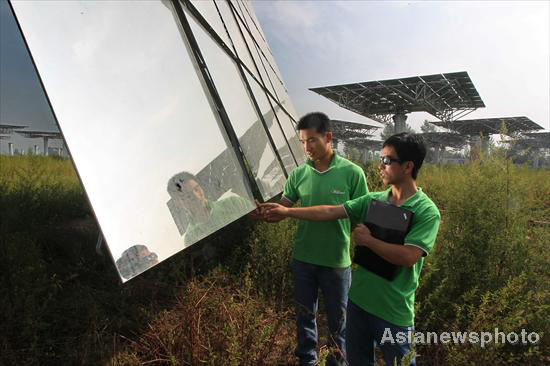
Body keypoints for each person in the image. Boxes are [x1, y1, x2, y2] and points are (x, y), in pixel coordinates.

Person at [262, 133, 440, 366]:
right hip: (358, 304)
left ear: (408, 166)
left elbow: (408, 257)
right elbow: (329, 211)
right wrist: (287, 212)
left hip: (393, 312)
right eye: (381, 158)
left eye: (387, 160)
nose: (380, 166)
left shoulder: (426, 211)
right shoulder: (373, 200)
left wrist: (369, 241)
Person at [264, 112, 368, 366]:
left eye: (312, 140)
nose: (306, 147)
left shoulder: (352, 173)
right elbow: (283, 208)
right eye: (302, 142)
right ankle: (307, 361)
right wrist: (266, 212)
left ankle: (337, 362)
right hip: (303, 260)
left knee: (338, 323)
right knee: (304, 318)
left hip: (336, 262)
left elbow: (361, 219)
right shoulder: (298, 175)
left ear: (328, 137)